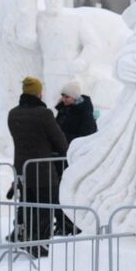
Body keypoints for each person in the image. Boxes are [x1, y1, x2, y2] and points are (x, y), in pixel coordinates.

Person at [7, 76, 67, 256]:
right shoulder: (44, 114)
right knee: (45, 207)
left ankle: (28, 238)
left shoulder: (13, 113)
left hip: (22, 170)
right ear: (38, 93)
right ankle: (39, 243)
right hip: (43, 170)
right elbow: (60, 142)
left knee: (28, 205)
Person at [53, 81, 96, 235]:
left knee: (72, 193)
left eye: (67, 96)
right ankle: (62, 223)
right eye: (63, 96)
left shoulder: (84, 112)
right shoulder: (63, 111)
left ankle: (72, 224)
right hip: (60, 156)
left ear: (74, 97)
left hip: (74, 157)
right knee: (60, 193)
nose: (64, 99)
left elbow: (88, 134)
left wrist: (64, 138)